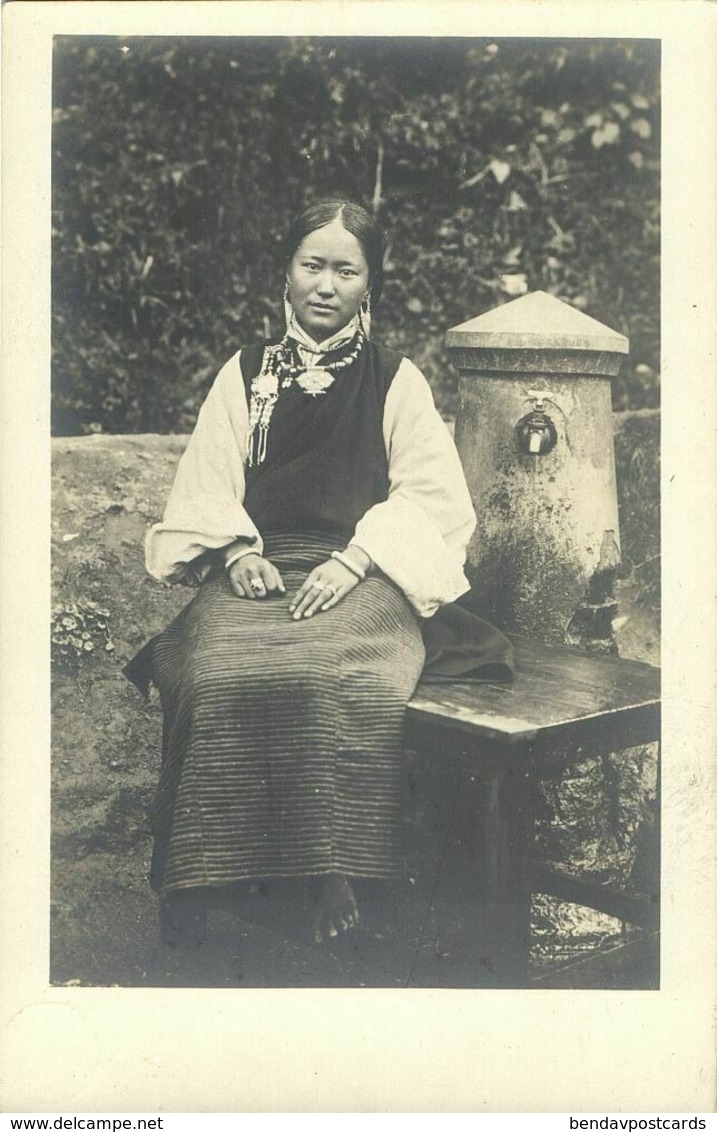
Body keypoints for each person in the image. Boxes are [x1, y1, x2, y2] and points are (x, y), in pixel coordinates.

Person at [126, 196, 512, 952]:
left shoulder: (395, 381)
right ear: (288, 270)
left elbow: (433, 498)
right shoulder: (242, 375)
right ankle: (202, 874)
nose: (326, 285)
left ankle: (330, 869)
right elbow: (205, 483)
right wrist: (237, 554)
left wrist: (358, 559)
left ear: (370, 283)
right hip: (260, 565)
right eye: (313, 265)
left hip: (364, 572)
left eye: (346, 269)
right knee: (210, 670)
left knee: (341, 674)